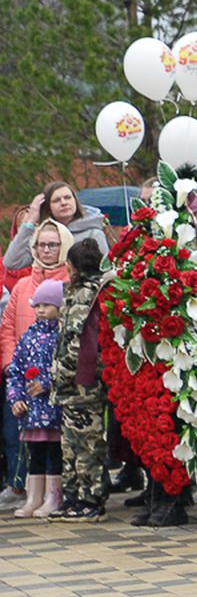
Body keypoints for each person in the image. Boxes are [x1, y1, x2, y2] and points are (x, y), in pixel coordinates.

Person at [1, 218, 72, 505]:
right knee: (28, 442)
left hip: (57, 386)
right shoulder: (21, 286)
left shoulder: (71, 282)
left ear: (64, 245)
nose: (46, 250)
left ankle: (56, 496)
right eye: (41, 244)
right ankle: (30, 495)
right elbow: (7, 328)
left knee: (56, 446)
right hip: (24, 381)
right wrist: (10, 367)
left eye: (52, 244)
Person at [48, 238, 108, 522]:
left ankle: (91, 499)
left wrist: (70, 373)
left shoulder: (92, 294)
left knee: (88, 444)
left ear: (73, 265)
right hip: (68, 385)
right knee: (70, 445)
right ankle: (73, 496)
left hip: (84, 384)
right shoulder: (73, 292)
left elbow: (84, 341)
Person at [7, 279, 65, 518]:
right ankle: (34, 497)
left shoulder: (62, 335)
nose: (41, 310)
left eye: (47, 305)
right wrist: (15, 398)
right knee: (35, 451)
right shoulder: (28, 337)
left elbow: (66, 368)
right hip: (32, 411)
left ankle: (54, 496)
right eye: (37, 305)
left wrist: (48, 384)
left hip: (54, 409)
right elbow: (16, 371)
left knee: (54, 451)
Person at [4, 182, 107, 270]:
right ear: (48, 207)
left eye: (67, 198)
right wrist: (30, 221)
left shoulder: (93, 233)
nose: (64, 203)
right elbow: (11, 263)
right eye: (56, 200)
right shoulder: (42, 237)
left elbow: (105, 269)